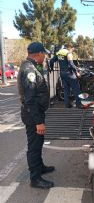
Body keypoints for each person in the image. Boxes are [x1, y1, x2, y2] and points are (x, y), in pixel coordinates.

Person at [18, 42, 55, 189]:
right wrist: (39, 121)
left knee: (38, 142)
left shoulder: (31, 66)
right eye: (44, 54)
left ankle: (40, 167)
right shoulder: (29, 70)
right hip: (32, 115)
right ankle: (35, 178)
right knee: (34, 146)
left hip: (35, 114)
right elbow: (30, 100)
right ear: (38, 54)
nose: (45, 57)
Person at [49, 43, 82, 108]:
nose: (73, 50)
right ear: (70, 47)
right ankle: (79, 105)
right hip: (69, 73)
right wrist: (77, 72)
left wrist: (51, 68)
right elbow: (71, 64)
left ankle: (67, 105)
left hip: (62, 74)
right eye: (72, 49)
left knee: (66, 90)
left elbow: (51, 61)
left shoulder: (59, 53)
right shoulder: (68, 53)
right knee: (77, 89)